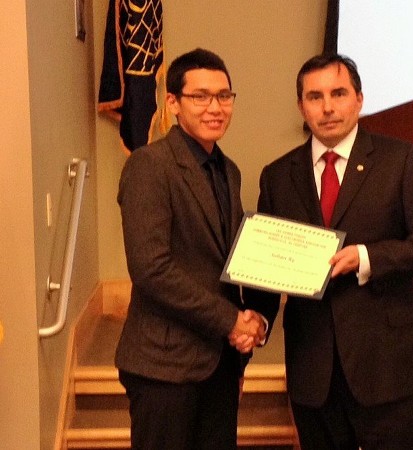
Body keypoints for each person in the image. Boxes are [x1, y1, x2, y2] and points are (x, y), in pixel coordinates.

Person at [253, 53, 413, 449]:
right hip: (313, 372)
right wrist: (257, 320)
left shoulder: (399, 160)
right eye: (315, 97)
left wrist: (368, 258)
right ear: (301, 106)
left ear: (360, 100)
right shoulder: (278, 175)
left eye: (339, 93)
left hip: (389, 369)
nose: (328, 107)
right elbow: (269, 261)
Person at [115, 48, 279, 450]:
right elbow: (151, 269)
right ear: (172, 102)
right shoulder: (149, 165)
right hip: (164, 366)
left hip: (219, 363)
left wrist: (255, 319)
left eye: (224, 96)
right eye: (200, 96)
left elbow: (234, 263)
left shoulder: (229, 169)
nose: (215, 107)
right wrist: (231, 321)